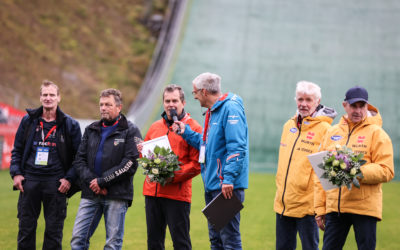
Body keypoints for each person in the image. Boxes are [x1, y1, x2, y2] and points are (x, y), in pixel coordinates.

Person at [174, 72, 249, 250]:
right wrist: (186, 132)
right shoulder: (213, 110)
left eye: (195, 93)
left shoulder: (230, 109)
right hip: (214, 185)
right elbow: (206, 145)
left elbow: (237, 147)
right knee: (216, 241)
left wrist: (228, 179)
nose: (195, 97)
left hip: (226, 186)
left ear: (204, 92)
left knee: (229, 241)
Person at [314, 86, 395, 250]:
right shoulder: (332, 132)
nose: (358, 110)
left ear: (367, 106)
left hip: (364, 209)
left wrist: (355, 171)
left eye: (361, 106)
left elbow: (387, 170)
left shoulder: (377, 134)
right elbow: (320, 173)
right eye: (353, 106)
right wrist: (320, 208)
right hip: (335, 209)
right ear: (345, 106)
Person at [10, 80, 82, 249]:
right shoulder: (28, 121)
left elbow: (80, 157)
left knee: (54, 233)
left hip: (56, 184)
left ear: (59, 98)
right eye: (45, 95)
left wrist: (69, 179)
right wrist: (16, 173)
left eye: (52, 95)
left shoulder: (70, 124)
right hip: (30, 182)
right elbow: (17, 150)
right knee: (26, 230)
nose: (48, 98)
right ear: (40, 97)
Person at [70, 88, 142, 250]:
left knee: (112, 245)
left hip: (116, 195)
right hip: (90, 192)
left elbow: (130, 163)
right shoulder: (91, 129)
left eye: (108, 104)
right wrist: (93, 182)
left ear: (119, 107)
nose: (103, 108)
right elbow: (79, 160)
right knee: (77, 240)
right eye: (101, 104)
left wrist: (103, 182)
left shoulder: (130, 130)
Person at [274, 81, 337, 250]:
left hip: (308, 207)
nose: (303, 104)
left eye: (308, 100)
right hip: (283, 203)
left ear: (317, 101)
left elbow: (327, 174)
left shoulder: (325, 130)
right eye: (300, 99)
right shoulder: (289, 126)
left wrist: (322, 207)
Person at [142, 84, 202, 250]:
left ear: (183, 102)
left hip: (177, 195)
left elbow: (197, 164)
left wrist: (173, 176)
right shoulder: (155, 127)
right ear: (163, 103)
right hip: (152, 192)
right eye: (167, 101)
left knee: (181, 243)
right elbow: (146, 157)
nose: (171, 104)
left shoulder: (194, 128)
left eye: (174, 100)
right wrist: (143, 151)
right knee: (154, 243)